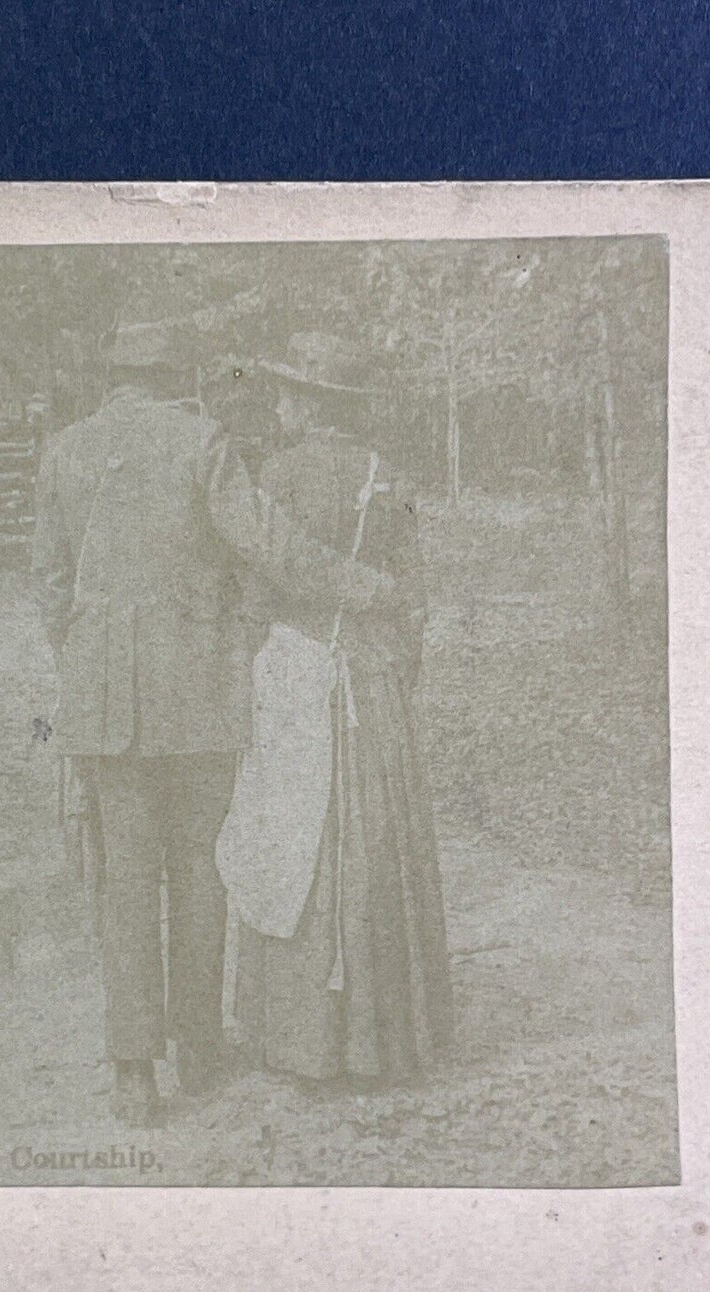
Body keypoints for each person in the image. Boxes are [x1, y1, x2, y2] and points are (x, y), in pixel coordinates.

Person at [32, 315, 398, 1125]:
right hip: (199, 694)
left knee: (124, 880)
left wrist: (94, 660)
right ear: (177, 378)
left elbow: (50, 588)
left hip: (102, 703)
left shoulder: (64, 449)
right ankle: (197, 1048)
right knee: (200, 872)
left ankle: (133, 1069)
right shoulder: (203, 444)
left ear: (115, 376)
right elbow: (266, 543)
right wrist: (363, 585)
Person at [230, 331, 454, 1084]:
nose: (283, 406)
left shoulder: (278, 474)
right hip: (374, 683)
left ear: (306, 403)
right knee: (376, 845)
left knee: (295, 839)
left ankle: (301, 1040)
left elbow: (257, 593)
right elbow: (412, 597)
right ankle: (387, 1035)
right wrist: (397, 677)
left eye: (290, 394)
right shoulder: (388, 477)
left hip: (299, 676)